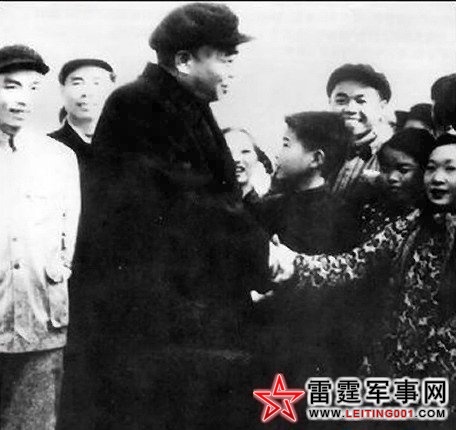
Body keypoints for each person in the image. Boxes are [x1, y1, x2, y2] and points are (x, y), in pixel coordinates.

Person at [79, 3, 269, 429]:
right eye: (225, 59)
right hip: (156, 320)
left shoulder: (184, 104)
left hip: (184, 314)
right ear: (184, 60)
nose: (232, 71)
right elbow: (189, 202)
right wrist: (263, 252)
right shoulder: (139, 104)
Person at [270, 134, 456, 427]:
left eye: (450, 169)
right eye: (432, 168)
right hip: (392, 372)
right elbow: (352, 263)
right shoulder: (412, 225)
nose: (437, 178)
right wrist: (292, 262)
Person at [251, 112, 357, 422]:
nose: (277, 153)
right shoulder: (269, 206)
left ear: (316, 159)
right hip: (268, 338)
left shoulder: (340, 215)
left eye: (286, 144)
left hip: (310, 346)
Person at [0, 44, 80, 429]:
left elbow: (67, 244)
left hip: (42, 324)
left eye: (32, 88)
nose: (22, 99)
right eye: (10, 86)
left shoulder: (59, 158)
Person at [48, 59, 115, 430]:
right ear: (62, 91)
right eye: (77, 82)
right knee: (72, 386)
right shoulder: (47, 150)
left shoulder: (129, 150)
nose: (87, 92)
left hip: (119, 285)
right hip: (67, 285)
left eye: (98, 83)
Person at [328, 63, 394, 201]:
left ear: (382, 107)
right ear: (330, 103)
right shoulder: (317, 153)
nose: (350, 109)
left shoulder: (391, 158)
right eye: (341, 101)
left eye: (361, 101)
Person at [223, 126, 273, 205]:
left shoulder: (269, 206)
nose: (236, 159)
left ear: (257, 156)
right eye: (228, 153)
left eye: (245, 152)